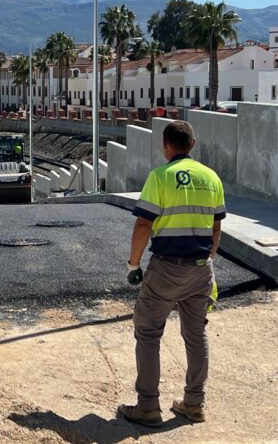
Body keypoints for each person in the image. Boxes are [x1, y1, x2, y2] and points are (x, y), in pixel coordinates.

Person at [118, 121, 225, 428]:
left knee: (149, 332)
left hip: (166, 267)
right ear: (193, 144)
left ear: (166, 145)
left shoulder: (160, 177)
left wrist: (133, 265)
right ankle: (194, 403)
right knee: (196, 334)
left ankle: (149, 407)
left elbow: (143, 225)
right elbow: (216, 227)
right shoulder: (211, 177)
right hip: (201, 268)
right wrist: (208, 260)